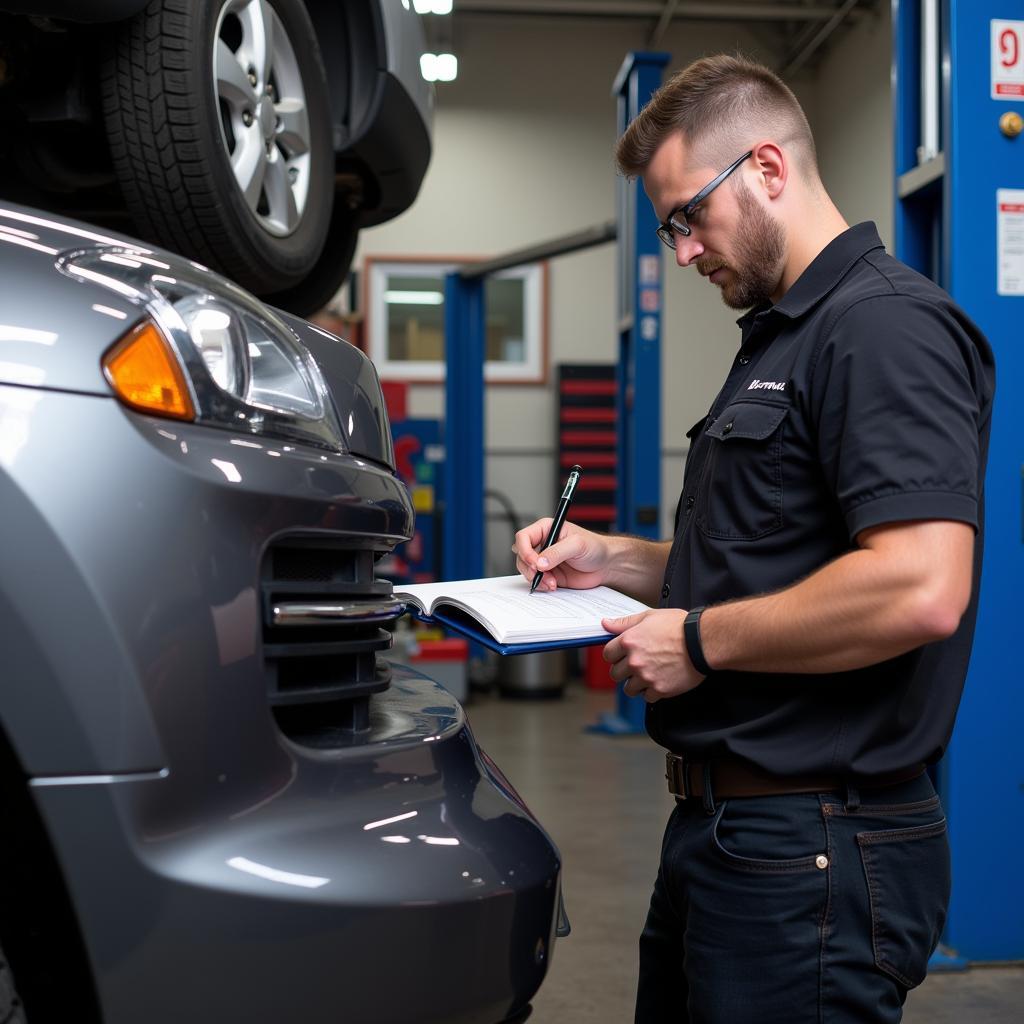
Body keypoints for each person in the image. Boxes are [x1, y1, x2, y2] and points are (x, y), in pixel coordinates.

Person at [513, 55, 995, 1023]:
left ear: (767, 168)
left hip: (816, 847)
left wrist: (693, 642)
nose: (683, 253)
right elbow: (764, 564)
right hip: (731, 833)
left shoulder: (882, 329)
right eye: (669, 228)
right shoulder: (782, 337)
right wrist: (612, 558)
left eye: (688, 216)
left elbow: (919, 585)